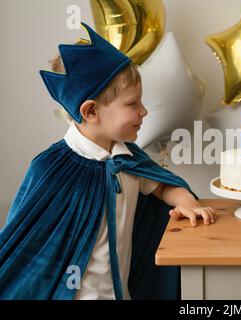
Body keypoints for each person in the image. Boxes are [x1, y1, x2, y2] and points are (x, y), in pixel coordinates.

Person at [0, 22, 215, 300]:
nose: (144, 111)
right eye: (132, 104)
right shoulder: (49, 168)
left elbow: (160, 186)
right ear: (91, 111)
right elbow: (28, 251)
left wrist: (185, 200)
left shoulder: (129, 159)